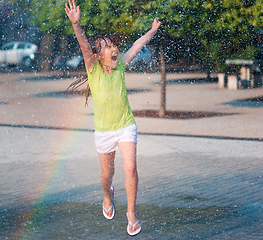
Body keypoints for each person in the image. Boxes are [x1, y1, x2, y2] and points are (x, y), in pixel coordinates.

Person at [65, 0, 161, 236]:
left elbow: (137, 45)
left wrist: (151, 30)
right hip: (104, 131)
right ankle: (108, 195)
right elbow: (85, 46)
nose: (112, 48)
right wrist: (77, 25)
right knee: (107, 176)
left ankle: (131, 213)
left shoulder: (120, 66)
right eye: (106, 46)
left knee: (130, 168)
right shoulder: (93, 68)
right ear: (98, 56)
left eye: (112, 44)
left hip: (126, 125)